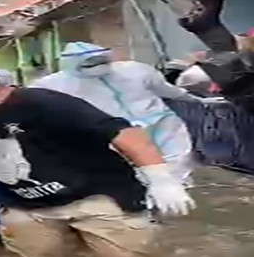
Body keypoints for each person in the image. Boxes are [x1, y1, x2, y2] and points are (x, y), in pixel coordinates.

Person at [0, 60, 196, 257]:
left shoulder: (45, 104)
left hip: (94, 196)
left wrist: (161, 180)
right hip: (23, 204)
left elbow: (127, 134)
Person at [31, 42, 206, 186]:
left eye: (102, 61)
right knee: (132, 167)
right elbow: (34, 108)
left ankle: (179, 187)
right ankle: (146, 195)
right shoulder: (52, 85)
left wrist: (195, 100)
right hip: (113, 131)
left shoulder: (135, 70)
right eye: (90, 63)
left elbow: (166, 90)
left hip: (160, 122)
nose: (98, 66)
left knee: (178, 158)